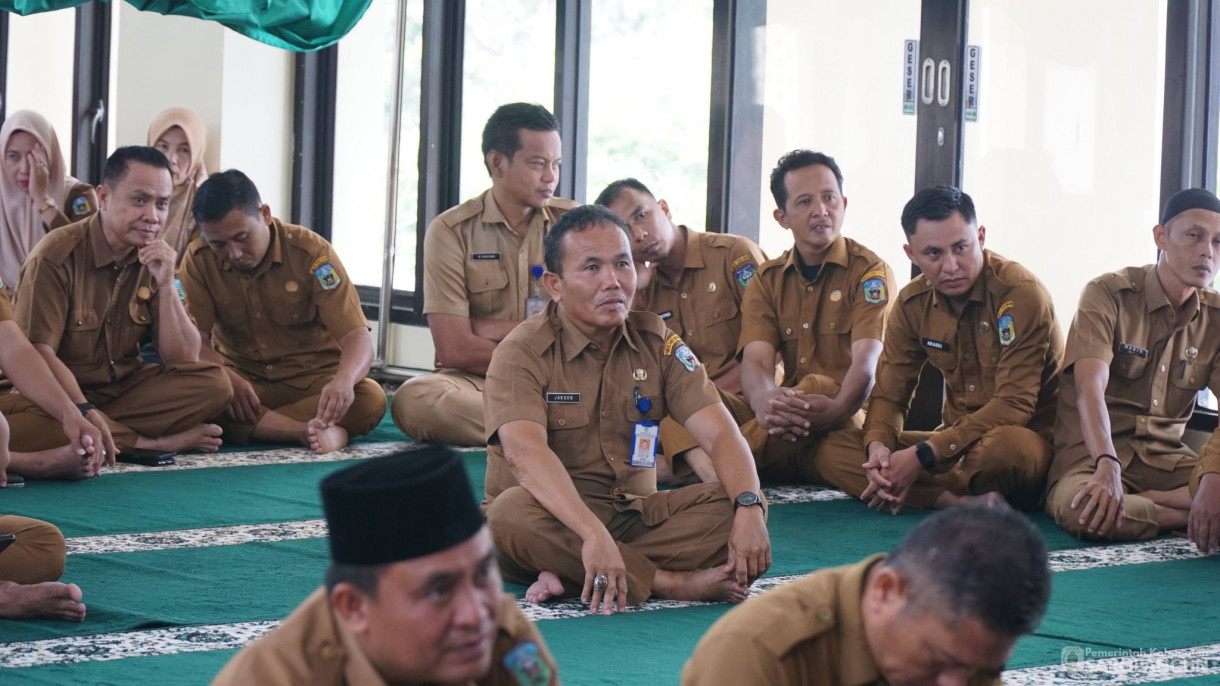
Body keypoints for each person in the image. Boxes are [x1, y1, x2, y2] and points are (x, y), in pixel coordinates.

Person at [482, 205, 771, 613]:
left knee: (741, 501)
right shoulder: (522, 352)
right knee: (507, 514)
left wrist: (748, 507)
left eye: (623, 264)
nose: (613, 281)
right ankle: (667, 582)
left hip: (633, 515)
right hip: (550, 517)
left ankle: (570, 571)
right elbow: (524, 455)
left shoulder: (656, 342)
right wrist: (591, 535)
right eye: (592, 268)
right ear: (555, 285)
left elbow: (722, 434)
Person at [212, 445, 560, 685]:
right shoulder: (276, 678)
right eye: (439, 590)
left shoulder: (500, 637)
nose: (475, 614)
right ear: (354, 608)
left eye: (483, 574)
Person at [815, 186, 1062, 513]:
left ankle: (923, 488)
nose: (951, 265)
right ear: (911, 255)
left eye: (961, 247)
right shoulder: (911, 303)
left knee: (1005, 450)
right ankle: (952, 501)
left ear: (982, 236)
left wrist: (925, 455)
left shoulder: (1020, 294)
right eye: (934, 253)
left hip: (1026, 444)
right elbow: (890, 396)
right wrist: (879, 449)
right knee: (833, 448)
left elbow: (1015, 404)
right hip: (952, 446)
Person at [0, 146, 232, 475]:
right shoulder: (56, 256)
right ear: (104, 197)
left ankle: (108, 434)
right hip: (51, 396)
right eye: (140, 200)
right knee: (58, 428)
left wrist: (166, 284)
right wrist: (80, 410)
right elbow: (40, 353)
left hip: (121, 391)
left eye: (162, 204)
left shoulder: (157, 257)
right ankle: (147, 444)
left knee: (216, 384)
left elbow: (183, 358)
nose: (153, 216)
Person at [681, 505, 1050, 686]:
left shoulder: (965, 651)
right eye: (941, 660)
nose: (955, 684)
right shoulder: (757, 655)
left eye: (977, 671)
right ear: (886, 592)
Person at [392, 103, 578, 446]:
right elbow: (455, 350)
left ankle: (528, 430)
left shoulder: (575, 226)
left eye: (556, 165)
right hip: (478, 381)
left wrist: (485, 328)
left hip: (565, 378)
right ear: (497, 163)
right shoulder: (451, 230)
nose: (551, 177)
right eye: (538, 164)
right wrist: (541, 344)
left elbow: (591, 326)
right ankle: (563, 432)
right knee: (414, 400)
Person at [1046, 188, 1220, 551]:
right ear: (1161, 237)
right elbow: (1087, 390)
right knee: (1084, 510)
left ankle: (1157, 502)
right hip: (1090, 458)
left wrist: (1213, 478)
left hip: (1167, 463)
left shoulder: (1216, 318)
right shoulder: (1108, 294)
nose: (1208, 251)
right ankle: (1180, 514)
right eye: (1195, 235)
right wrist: (1107, 464)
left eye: (1218, 242)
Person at [180, 169, 386, 454]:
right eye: (219, 245)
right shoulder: (198, 259)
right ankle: (307, 431)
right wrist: (225, 375)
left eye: (242, 237)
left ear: (264, 214)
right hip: (243, 387)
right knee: (191, 392)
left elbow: (357, 337)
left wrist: (344, 381)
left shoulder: (311, 253)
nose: (235, 253)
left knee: (370, 397)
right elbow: (194, 342)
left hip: (312, 383)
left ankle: (264, 429)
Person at [735, 151, 895, 482]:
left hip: (850, 414)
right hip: (789, 419)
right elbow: (756, 362)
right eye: (805, 201)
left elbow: (866, 365)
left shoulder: (870, 272)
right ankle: (764, 455)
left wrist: (835, 409)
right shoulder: (767, 279)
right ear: (782, 217)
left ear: (844, 203)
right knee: (701, 397)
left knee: (817, 388)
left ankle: (711, 468)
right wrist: (764, 398)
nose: (820, 210)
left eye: (829, 198)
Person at [596, 178, 766, 484]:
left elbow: (773, 345)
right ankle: (692, 463)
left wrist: (699, 397)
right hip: (679, 416)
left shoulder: (732, 255)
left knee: (670, 405)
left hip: (739, 404)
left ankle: (690, 469)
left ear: (663, 208)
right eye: (625, 230)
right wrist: (636, 287)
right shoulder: (638, 286)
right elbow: (623, 364)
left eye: (641, 215)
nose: (639, 233)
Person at [0, 110, 99, 286]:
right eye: (13, 156)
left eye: (35, 156)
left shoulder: (79, 196)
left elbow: (86, 257)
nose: (25, 168)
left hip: (62, 305)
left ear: (51, 154)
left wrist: (42, 198)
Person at [147, 107, 208, 263]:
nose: (171, 159)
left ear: (196, 155)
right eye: (163, 147)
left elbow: (201, 276)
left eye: (183, 150)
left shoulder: (204, 208)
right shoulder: (127, 191)